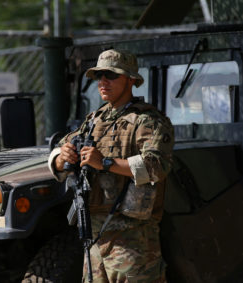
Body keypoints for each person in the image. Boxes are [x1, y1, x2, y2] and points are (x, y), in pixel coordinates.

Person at [48, 49, 174, 282]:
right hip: (95, 238)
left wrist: (105, 163)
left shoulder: (148, 121)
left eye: (111, 75)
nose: (103, 81)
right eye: (99, 76)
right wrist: (61, 157)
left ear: (131, 80)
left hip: (132, 238)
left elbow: (157, 166)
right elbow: (62, 148)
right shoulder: (94, 120)